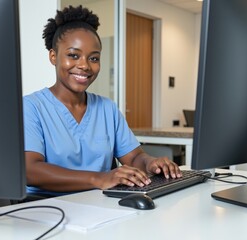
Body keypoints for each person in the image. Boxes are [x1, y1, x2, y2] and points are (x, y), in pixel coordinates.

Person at [23, 5, 182, 197]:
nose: (84, 65)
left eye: (94, 58)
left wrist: (150, 163)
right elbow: (30, 170)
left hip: (103, 205)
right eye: (73, 55)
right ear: (53, 56)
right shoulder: (31, 107)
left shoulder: (107, 108)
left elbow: (134, 157)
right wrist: (99, 178)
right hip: (49, 209)